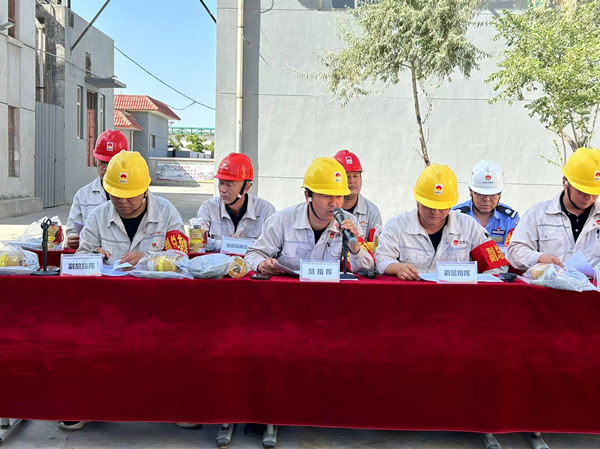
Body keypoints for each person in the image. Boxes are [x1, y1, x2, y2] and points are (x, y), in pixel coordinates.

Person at [375, 164, 508, 280]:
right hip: (411, 296)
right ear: (417, 200)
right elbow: (382, 258)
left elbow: (496, 266)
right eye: (429, 206)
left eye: (442, 207)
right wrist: (397, 268)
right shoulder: (397, 226)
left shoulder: (469, 227)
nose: (435, 212)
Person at [245, 157, 374, 274]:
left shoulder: (350, 223)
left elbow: (368, 269)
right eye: (327, 196)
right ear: (308, 196)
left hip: (331, 292)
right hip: (290, 291)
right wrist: (261, 264)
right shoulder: (282, 221)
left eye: (339, 196)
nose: (334, 203)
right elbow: (254, 254)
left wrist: (355, 247)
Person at [77, 151, 187, 266]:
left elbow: (181, 260)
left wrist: (147, 260)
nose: (122, 201)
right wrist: (93, 256)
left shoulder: (167, 214)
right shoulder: (98, 217)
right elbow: (80, 257)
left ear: (145, 191)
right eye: (116, 195)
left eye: (130, 196)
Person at [507, 147, 600, 271]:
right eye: (582, 192)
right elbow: (515, 251)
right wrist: (538, 258)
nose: (589, 198)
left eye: (595, 193)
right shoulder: (538, 214)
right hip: (549, 283)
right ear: (565, 182)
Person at [196, 153, 275, 252]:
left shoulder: (266, 211)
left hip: (252, 262)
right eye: (221, 183)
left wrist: (234, 245)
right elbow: (196, 241)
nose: (223, 190)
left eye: (229, 185)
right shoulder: (209, 207)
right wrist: (229, 244)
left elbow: (272, 247)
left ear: (246, 188)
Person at [65, 129, 129, 249]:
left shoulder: (135, 195)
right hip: (92, 255)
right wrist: (72, 238)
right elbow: (71, 230)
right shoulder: (83, 195)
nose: (105, 167)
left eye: (110, 163)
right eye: (102, 162)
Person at [453, 160, 519, 248]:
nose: (486, 199)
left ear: (499, 194)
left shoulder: (509, 218)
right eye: (481, 194)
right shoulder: (455, 216)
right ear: (471, 192)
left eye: (492, 194)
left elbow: (517, 249)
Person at [332, 150, 382, 238]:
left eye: (355, 176)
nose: (352, 181)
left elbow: (376, 244)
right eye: (347, 176)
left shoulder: (372, 212)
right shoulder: (328, 209)